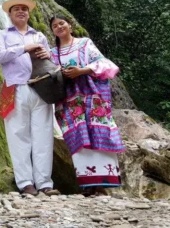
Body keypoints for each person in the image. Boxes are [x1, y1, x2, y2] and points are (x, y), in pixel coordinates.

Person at [49, 14, 124, 196]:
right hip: (68, 100)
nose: (59, 27)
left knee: (97, 130)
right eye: (55, 26)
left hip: (90, 95)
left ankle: (102, 182)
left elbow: (102, 62)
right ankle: (87, 183)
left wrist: (81, 71)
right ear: (52, 31)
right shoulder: (53, 53)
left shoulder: (84, 44)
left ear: (70, 26)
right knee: (77, 136)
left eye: (62, 23)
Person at [0, 0, 60, 196]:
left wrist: (48, 55)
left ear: (28, 13)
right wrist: (24, 48)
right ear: (10, 14)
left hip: (42, 88)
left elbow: (51, 62)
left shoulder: (39, 36)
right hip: (15, 88)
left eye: (24, 8)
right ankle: (25, 183)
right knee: (17, 136)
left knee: (44, 135)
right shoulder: (1, 35)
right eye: (16, 9)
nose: (21, 11)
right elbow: (0, 56)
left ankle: (45, 183)